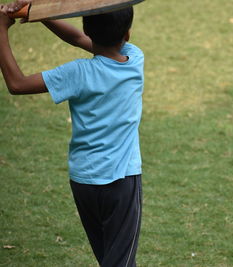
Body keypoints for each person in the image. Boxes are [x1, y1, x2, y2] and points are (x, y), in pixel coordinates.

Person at [0, 1, 144, 266]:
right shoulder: (135, 59)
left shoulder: (77, 73)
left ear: (88, 29)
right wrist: (38, 13)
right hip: (122, 182)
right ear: (127, 35)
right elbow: (78, 39)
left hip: (84, 182)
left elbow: (17, 84)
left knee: (112, 260)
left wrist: (8, 26)